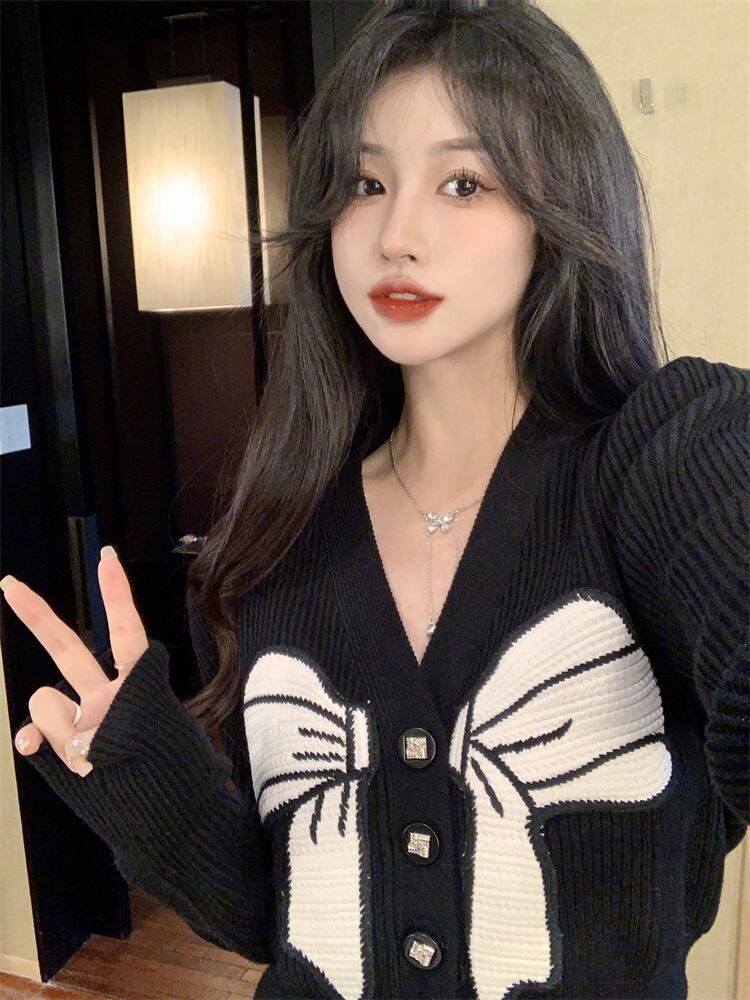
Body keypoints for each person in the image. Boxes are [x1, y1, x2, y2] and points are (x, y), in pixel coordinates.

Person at [4, 2, 748, 998]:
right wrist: (152, 781)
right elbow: (277, 917)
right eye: (366, 183)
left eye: (463, 182)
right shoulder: (274, 540)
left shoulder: (663, 456)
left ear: (559, 206)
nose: (397, 234)